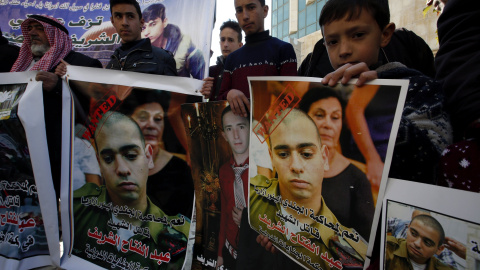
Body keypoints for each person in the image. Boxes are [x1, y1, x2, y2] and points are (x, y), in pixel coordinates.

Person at [318, 0, 451, 184]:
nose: (344, 50)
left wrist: (375, 101)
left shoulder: (418, 88)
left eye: (358, 35)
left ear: (385, 34)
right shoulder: (327, 93)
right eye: (332, 42)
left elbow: (435, 164)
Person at [250, 108, 367, 269]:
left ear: (324, 158)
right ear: (272, 158)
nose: (296, 166)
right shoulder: (252, 196)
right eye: (283, 154)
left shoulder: (350, 252)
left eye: (306, 154)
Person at [73, 111, 189, 269]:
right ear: (99, 164)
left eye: (131, 155)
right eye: (108, 159)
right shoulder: (76, 209)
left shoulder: (181, 238)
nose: (121, 169)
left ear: (148, 157)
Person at [10, 14, 103, 199]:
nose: (33, 33)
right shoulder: (21, 67)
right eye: (30, 29)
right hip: (25, 157)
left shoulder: (83, 64)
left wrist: (60, 87)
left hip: (63, 157)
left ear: (56, 35)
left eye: (39, 28)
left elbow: (97, 108)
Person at [298, 87, 374, 240]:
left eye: (335, 117)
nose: (328, 124)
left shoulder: (357, 178)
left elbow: (366, 241)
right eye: (319, 115)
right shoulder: (288, 164)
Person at [120, 90, 194, 218]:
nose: (151, 125)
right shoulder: (113, 164)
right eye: (143, 117)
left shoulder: (180, 170)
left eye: (158, 119)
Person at [217, 0, 297, 117]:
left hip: (273, 131)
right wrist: (230, 93)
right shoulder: (232, 59)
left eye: (251, 8)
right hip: (239, 132)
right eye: (239, 10)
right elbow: (220, 97)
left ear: (265, 11)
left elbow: (291, 99)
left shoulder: (283, 49)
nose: (245, 16)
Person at [215, 105, 250, 270]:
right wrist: (220, 252)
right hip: (230, 251)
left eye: (241, 127)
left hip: (257, 253)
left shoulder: (266, 169)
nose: (236, 136)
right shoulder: (223, 171)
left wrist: (249, 221)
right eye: (229, 129)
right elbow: (223, 214)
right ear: (224, 135)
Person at [105, 0, 177, 75]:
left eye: (130, 16)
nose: (124, 23)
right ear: (113, 21)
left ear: (141, 22)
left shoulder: (163, 59)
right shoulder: (113, 61)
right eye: (118, 16)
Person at [141, 3, 206, 79]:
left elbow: (202, 82)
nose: (146, 32)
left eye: (153, 24)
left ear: (164, 22)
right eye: (143, 28)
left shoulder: (185, 47)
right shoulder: (138, 51)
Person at [387, 210, 466, 268]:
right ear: (409, 225)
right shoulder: (401, 225)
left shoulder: (439, 242)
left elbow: (450, 266)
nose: (417, 244)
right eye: (414, 234)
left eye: (427, 242)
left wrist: (466, 255)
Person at [201, 20, 243, 100]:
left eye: (230, 40)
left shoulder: (244, 70)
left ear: (240, 45)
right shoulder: (211, 71)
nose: (225, 45)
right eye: (223, 40)